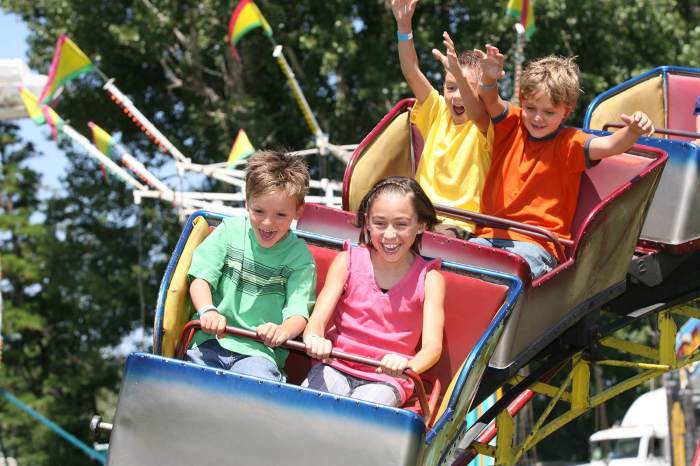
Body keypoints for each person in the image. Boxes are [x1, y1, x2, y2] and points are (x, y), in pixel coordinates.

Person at [472, 48, 655, 278]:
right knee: (450, 268)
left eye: (549, 112)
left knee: (503, 276)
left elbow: (611, 146)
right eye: (530, 108)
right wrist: (488, 77)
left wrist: (633, 131)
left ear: (566, 112)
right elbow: (489, 97)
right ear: (522, 101)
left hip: (536, 245)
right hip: (489, 235)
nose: (538, 118)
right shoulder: (510, 125)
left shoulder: (569, 143)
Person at [302, 176, 445, 407]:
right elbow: (317, 320)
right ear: (367, 223)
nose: (389, 235)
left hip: (389, 377)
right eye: (380, 224)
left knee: (364, 414)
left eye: (401, 224)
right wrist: (314, 339)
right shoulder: (346, 261)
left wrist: (408, 366)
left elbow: (432, 347)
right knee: (309, 405)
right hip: (336, 363)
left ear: (420, 225)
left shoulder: (430, 279)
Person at [185, 150, 317, 382]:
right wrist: (208, 310)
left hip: (259, 352)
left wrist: (282, 331)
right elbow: (201, 278)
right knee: (189, 380)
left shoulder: (300, 258)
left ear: (298, 211)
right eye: (259, 211)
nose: (267, 223)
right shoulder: (228, 232)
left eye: (280, 215)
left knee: (258, 385)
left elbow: (298, 312)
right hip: (211, 341)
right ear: (247, 203)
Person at [391, 0, 492, 240]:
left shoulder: (485, 126)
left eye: (465, 88)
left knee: (429, 238)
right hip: (418, 216)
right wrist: (404, 27)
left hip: (458, 225)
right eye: (450, 87)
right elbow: (411, 70)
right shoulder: (436, 110)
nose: (457, 96)